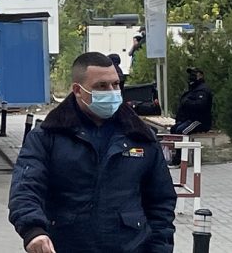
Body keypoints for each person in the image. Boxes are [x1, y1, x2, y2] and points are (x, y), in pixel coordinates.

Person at [9, 52, 176, 253]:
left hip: (129, 246)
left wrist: (159, 248)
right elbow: (26, 188)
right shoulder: (48, 136)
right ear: (78, 90)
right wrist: (33, 230)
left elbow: (161, 202)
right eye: (101, 86)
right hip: (65, 246)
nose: (112, 92)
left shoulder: (141, 136)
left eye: (116, 84)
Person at [171, 67, 213, 135]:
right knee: (173, 129)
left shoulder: (203, 89)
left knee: (181, 131)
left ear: (201, 75)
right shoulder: (192, 89)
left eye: (194, 74)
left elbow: (200, 105)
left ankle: (185, 142)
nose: (191, 76)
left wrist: (187, 102)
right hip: (188, 120)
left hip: (200, 121)